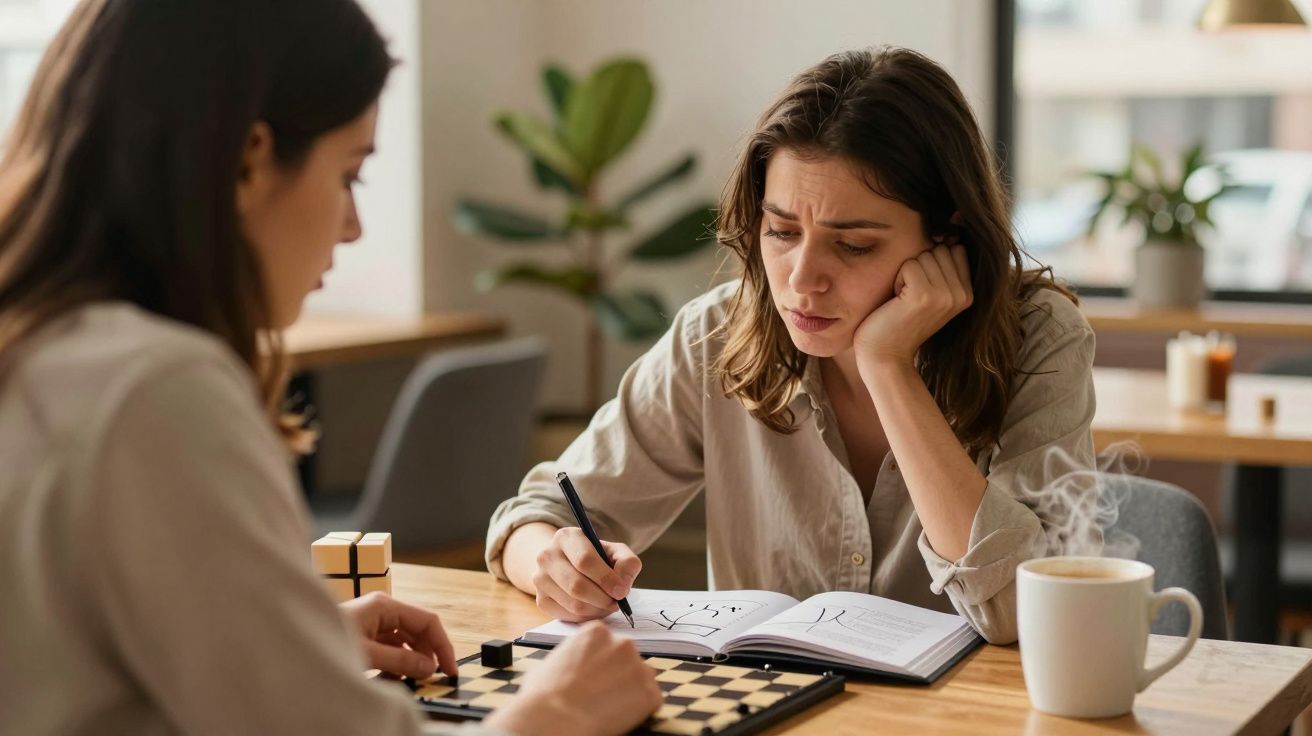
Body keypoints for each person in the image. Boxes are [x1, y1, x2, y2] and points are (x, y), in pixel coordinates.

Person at [0, 1, 660, 734]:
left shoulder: (42, 348)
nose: (353, 227)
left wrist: (283, 648)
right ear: (250, 159)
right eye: (350, 174)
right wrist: (557, 712)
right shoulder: (155, 389)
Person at [487, 46, 1098, 645]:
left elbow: (1024, 610)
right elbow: (536, 515)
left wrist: (887, 367)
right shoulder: (717, 335)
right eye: (781, 231)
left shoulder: (1038, 341)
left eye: (854, 244)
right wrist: (552, 561)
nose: (802, 279)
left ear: (949, 238)